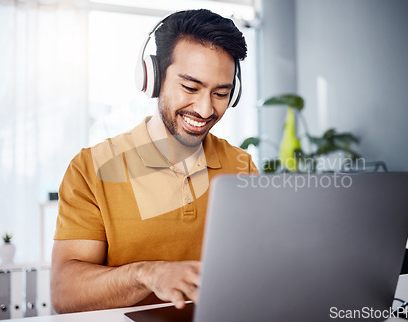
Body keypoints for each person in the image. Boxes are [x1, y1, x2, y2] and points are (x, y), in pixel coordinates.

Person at [50, 9, 258, 314]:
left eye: (221, 93)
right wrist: (147, 274)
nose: (204, 109)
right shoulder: (90, 169)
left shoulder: (242, 165)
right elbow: (64, 293)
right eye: (190, 87)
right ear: (153, 78)